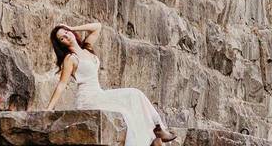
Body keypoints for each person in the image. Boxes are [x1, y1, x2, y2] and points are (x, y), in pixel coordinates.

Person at [46, 22, 177, 146]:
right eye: (62, 38)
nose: (66, 37)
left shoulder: (87, 48)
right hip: (88, 100)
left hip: (99, 94)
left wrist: (72, 28)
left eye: (66, 33)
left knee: (135, 94)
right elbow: (61, 85)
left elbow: (97, 26)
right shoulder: (70, 58)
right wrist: (49, 109)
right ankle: (153, 136)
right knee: (127, 111)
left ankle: (157, 128)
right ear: (61, 44)